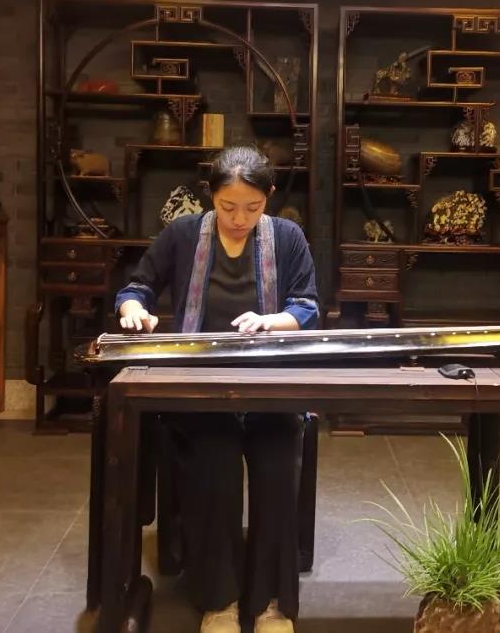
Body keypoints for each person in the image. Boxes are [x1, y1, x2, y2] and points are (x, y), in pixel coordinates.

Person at [114, 145, 318, 633]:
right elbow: (136, 287)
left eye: (253, 207)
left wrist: (272, 321)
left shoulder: (287, 236)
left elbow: (307, 305)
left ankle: (272, 603)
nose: (240, 219)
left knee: (275, 464)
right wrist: (133, 311)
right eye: (228, 207)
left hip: (269, 384)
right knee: (214, 462)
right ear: (211, 196)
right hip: (200, 387)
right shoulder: (183, 233)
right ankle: (219, 600)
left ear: (269, 197)